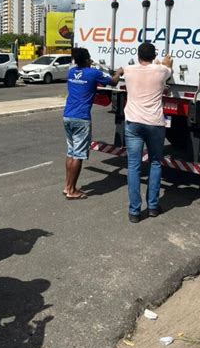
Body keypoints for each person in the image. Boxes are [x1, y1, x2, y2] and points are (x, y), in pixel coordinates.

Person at [63, 48, 123, 199]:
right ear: (87, 60)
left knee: (71, 152)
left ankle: (67, 186)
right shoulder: (93, 73)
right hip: (81, 118)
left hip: (67, 116)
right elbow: (113, 82)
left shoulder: (71, 72)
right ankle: (72, 190)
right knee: (79, 155)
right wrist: (119, 72)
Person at [124, 43, 173, 223]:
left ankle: (134, 212)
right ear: (154, 56)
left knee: (134, 166)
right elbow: (168, 67)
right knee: (155, 163)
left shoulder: (129, 70)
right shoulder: (161, 71)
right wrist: (166, 62)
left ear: (138, 56)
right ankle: (153, 206)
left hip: (133, 123)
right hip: (154, 123)